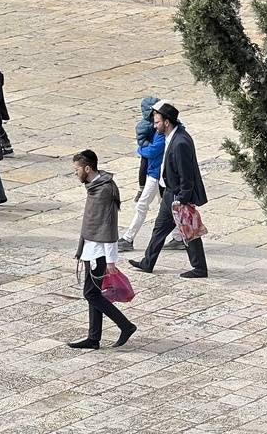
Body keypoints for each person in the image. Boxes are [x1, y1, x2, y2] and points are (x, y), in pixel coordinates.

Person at [128, 101, 209, 279]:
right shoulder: (171, 136)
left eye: (157, 122)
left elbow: (186, 174)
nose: (154, 125)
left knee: (189, 230)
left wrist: (182, 198)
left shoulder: (180, 142)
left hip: (178, 195)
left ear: (167, 122)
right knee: (159, 228)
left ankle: (200, 268)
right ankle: (148, 262)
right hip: (169, 192)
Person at [70, 149, 136, 349]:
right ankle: (93, 338)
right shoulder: (94, 186)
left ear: (87, 168)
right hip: (91, 250)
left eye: (77, 169)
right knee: (94, 295)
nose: (75, 173)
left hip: (99, 254)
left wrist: (110, 261)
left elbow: (108, 226)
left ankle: (125, 325)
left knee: (91, 294)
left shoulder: (103, 191)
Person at [119, 96, 184, 252]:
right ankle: (179, 237)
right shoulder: (158, 130)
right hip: (156, 173)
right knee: (166, 206)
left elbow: (154, 150)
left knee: (142, 205)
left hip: (156, 174)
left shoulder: (163, 133)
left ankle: (128, 238)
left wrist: (140, 149)